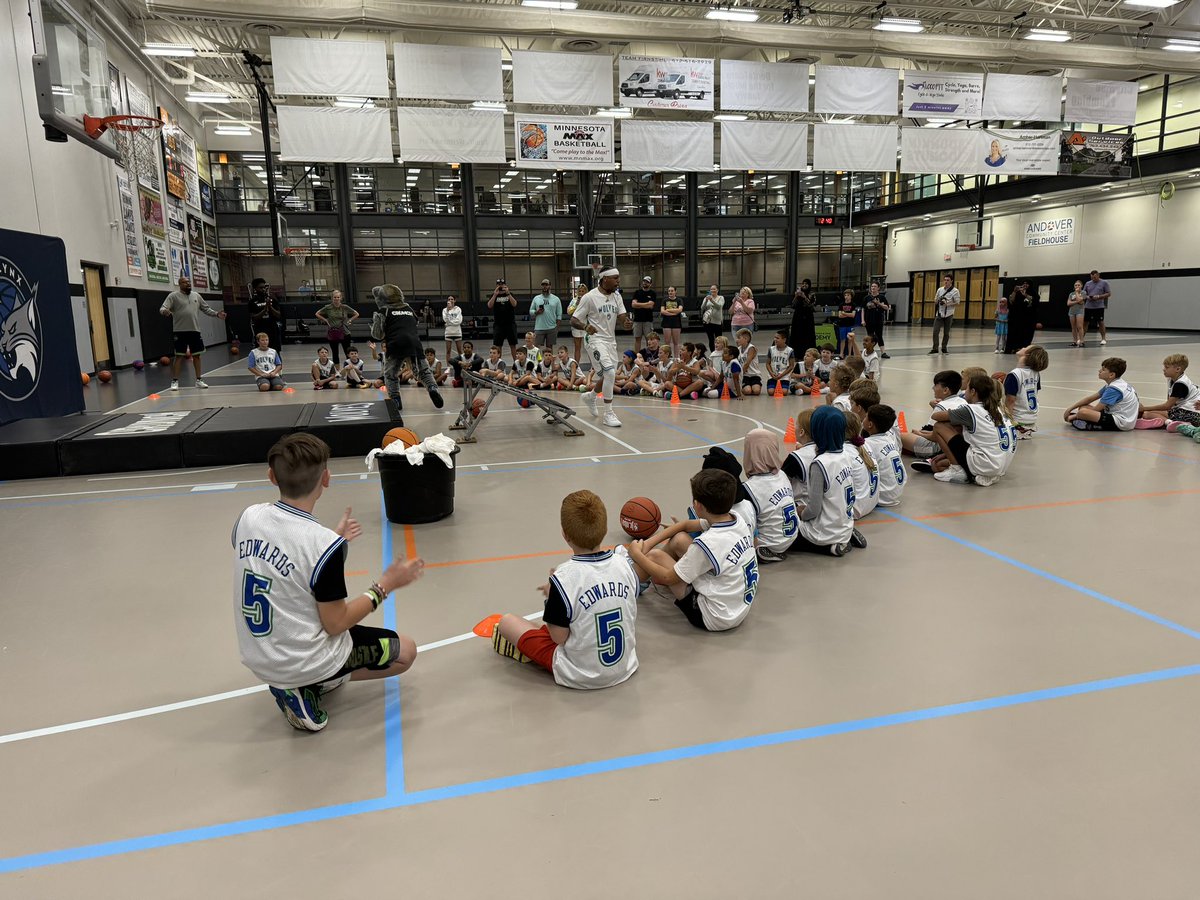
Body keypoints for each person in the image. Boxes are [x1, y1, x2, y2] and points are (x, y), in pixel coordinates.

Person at [232, 433, 421, 732]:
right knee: (405, 652)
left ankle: (302, 679)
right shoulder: (322, 545)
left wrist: (333, 541)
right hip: (300, 660)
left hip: (258, 655)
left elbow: (285, 563)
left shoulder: (248, 517)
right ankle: (309, 682)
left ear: (271, 476)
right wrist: (385, 585)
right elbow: (336, 623)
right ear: (326, 478)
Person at [490, 491, 640, 688]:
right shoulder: (623, 564)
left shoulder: (563, 578)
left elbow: (558, 638)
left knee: (507, 622)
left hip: (580, 674)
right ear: (604, 530)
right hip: (625, 666)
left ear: (565, 534)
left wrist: (552, 597)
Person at [627, 470, 758, 633]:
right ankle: (640, 576)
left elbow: (668, 578)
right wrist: (647, 543)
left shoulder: (707, 544)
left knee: (655, 556)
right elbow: (685, 525)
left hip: (713, 616)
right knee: (680, 539)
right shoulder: (736, 519)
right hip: (736, 606)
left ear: (697, 505)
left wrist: (637, 554)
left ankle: (627, 586)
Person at [787, 406, 859, 557]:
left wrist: (801, 513)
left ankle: (828, 547)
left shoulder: (820, 464)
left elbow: (813, 509)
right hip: (845, 524)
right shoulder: (846, 454)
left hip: (825, 532)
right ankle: (845, 537)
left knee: (786, 532)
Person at [926, 373, 1017, 486]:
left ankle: (957, 470)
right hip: (999, 465)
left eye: (967, 388)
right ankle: (963, 470)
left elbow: (936, 417)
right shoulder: (998, 409)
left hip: (984, 464)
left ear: (973, 391)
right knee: (939, 464)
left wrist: (936, 405)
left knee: (940, 426)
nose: (964, 392)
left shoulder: (972, 409)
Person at [572, 267, 632, 428]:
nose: (618, 281)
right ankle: (608, 413)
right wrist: (585, 327)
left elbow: (621, 317)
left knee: (607, 376)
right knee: (610, 372)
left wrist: (626, 323)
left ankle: (591, 396)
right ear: (605, 279)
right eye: (615, 278)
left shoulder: (617, 296)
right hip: (594, 339)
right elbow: (574, 320)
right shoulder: (589, 297)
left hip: (610, 341)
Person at [377, 284, 444, 421]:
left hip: (395, 343)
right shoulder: (408, 308)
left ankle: (395, 399)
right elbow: (416, 322)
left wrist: (377, 320)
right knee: (423, 370)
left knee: (390, 374)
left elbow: (378, 334)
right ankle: (432, 388)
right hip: (414, 342)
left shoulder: (385, 310)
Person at [739, 429, 799, 563]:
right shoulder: (782, 475)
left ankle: (764, 550)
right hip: (791, 535)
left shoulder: (750, 488)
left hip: (769, 543)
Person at [160, 275, 227, 391]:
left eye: (189, 282)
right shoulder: (173, 296)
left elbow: (206, 309)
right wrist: (165, 311)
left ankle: (199, 380)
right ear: (179, 284)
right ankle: (175, 381)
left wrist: (216, 314)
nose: (188, 284)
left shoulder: (196, 296)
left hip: (195, 330)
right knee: (179, 356)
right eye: (185, 282)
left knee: (197, 355)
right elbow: (162, 308)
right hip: (180, 331)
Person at [905, 370, 966, 468]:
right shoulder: (963, 401)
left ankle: (931, 458)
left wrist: (919, 433)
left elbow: (932, 433)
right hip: (958, 444)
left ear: (945, 390)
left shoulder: (942, 405)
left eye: (935, 385)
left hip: (937, 447)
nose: (933, 388)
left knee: (901, 436)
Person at [1063, 357, 1140, 432]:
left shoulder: (1114, 389)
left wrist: (1073, 417)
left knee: (1083, 412)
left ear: (1111, 375)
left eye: (1103, 370)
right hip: (1119, 416)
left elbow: (1096, 409)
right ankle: (1085, 421)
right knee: (1083, 407)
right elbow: (1090, 399)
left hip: (1122, 423)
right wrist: (1070, 409)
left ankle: (1091, 425)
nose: (1099, 371)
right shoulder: (1115, 383)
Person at [1139, 354, 1200, 427]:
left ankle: (1172, 423)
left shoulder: (1180, 384)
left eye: (1167, 367)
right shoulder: (1172, 379)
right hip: (1184, 410)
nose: (1164, 369)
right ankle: (1168, 421)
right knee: (1149, 413)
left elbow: (1167, 406)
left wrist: (1144, 408)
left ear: (1178, 369)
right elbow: (1169, 405)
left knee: (1146, 414)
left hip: (1193, 414)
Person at [863, 405, 905, 508]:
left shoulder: (867, 444)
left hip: (881, 496)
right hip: (896, 492)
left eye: (865, 417)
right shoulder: (890, 438)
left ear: (870, 424)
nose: (863, 419)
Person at [1004, 344, 1050, 440]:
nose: (1023, 347)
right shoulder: (1036, 374)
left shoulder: (1014, 374)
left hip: (1017, 422)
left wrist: (1007, 422)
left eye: (1026, 347)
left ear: (1027, 355)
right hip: (1030, 420)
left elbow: (1010, 401)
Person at [315, 290, 359, 366]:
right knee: (335, 352)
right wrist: (325, 320)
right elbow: (317, 313)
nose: (336, 299)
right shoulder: (328, 307)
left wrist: (350, 320)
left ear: (340, 298)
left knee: (347, 352)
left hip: (345, 332)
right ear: (332, 298)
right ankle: (337, 371)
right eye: (335, 297)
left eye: (338, 297)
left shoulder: (345, 307)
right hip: (333, 332)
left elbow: (356, 314)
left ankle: (349, 369)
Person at [248, 278, 283, 353]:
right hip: (260, 329)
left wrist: (270, 307)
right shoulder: (252, 302)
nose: (263, 289)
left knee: (275, 352)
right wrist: (264, 310)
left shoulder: (272, 299)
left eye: (264, 287)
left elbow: (278, 315)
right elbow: (254, 317)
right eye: (260, 288)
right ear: (255, 289)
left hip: (272, 329)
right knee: (261, 353)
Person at [488, 278, 519, 361]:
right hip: (498, 324)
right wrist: (495, 295)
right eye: (499, 284)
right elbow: (489, 305)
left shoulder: (510, 294)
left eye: (502, 284)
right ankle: (498, 364)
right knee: (498, 346)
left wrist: (508, 293)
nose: (500, 286)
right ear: (496, 285)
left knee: (513, 345)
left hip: (510, 324)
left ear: (505, 285)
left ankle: (516, 364)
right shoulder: (494, 295)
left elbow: (514, 304)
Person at [530, 280, 562, 355]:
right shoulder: (536, 298)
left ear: (550, 286)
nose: (545, 287)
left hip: (551, 327)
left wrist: (557, 328)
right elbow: (531, 311)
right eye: (543, 285)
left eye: (546, 285)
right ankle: (537, 364)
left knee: (549, 348)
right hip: (539, 327)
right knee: (536, 347)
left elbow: (559, 315)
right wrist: (536, 312)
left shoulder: (556, 299)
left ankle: (549, 364)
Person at [929, 274, 959, 355]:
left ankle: (944, 347)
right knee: (935, 331)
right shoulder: (940, 289)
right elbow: (935, 299)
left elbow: (957, 302)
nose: (946, 281)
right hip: (939, 313)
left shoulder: (955, 291)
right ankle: (935, 348)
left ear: (951, 281)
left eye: (948, 280)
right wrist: (937, 301)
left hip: (949, 314)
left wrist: (947, 304)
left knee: (946, 333)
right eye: (945, 280)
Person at [1005, 280, 1037, 354]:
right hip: (1015, 318)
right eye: (1024, 283)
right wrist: (1015, 291)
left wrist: (1025, 294)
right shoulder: (1017, 293)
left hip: (1027, 319)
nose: (1025, 285)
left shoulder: (1033, 293)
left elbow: (1033, 303)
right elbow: (1011, 301)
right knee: (1013, 332)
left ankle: (1023, 348)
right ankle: (1012, 348)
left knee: (1026, 334)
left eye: (1027, 284)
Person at [788, 279, 816, 360]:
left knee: (808, 336)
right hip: (798, 317)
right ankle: (797, 355)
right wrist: (796, 296)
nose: (804, 285)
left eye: (806, 284)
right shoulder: (798, 293)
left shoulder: (812, 294)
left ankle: (809, 355)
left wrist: (804, 297)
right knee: (797, 335)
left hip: (808, 318)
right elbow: (793, 305)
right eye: (803, 283)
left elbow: (812, 306)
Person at [1082, 270, 1111, 346]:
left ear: (1098, 275)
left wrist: (1099, 296)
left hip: (1099, 306)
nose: (1093, 279)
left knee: (1100, 322)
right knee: (1085, 323)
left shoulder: (1104, 282)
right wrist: (1088, 297)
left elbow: (1109, 293)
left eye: (1094, 277)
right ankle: (1082, 339)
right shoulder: (1088, 283)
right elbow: (1083, 294)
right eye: (1092, 277)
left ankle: (1103, 339)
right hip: (1088, 306)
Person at [862, 282, 891, 358]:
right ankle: (869, 351)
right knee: (870, 336)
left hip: (878, 320)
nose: (873, 288)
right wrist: (863, 320)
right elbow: (863, 309)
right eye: (872, 286)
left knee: (879, 336)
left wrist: (879, 303)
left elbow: (887, 307)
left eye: (875, 286)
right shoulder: (866, 298)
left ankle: (883, 352)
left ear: (878, 288)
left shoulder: (882, 297)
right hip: (869, 320)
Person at [630, 276, 657, 354]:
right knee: (637, 339)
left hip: (648, 320)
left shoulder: (652, 293)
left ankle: (648, 355)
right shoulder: (637, 292)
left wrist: (638, 304)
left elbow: (650, 305)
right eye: (644, 281)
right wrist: (646, 304)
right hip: (637, 320)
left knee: (649, 339)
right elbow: (633, 305)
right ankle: (637, 356)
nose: (645, 283)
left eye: (647, 282)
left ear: (650, 284)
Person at [765, 330, 796, 396]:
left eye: (777, 338)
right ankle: (774, 385)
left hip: (784, 376)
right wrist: (771, 373)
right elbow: (767, 363)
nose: (775, 339)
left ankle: (781, 385)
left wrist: (781, 375)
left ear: (784, 340)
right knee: (771, 392)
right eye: (774, 337)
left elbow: (791, 366)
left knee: (784, 392)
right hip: (773, 376)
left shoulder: (790, 350)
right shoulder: (771, 349)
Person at [700, 284, 725, 353]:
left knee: (719, 339)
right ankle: (713, 353)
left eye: (714, 289)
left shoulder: (721, 298)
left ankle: (719, 352)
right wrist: (706, 300)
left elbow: (719, 307)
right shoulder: (706, 298)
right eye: (711, 289)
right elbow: (702, 308)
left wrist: (712, 300)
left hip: (717, 321)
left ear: (717, 290)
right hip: (708, 322)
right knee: (711, 339)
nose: (712, 290)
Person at [567, 283, 588, 370]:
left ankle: (593, 366)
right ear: (577, 292)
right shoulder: (574, 300)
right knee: (577, 347)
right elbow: (569, 311)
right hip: (576, 326)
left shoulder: (589, 300)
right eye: (579, 291)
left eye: (583, 291)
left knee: (589, 346)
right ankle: (577, 365)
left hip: (586, 325)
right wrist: (577, 304)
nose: (581, 292)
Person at [660, 286, 683, 359]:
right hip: (666, 323)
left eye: (672, 291)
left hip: (676, 323)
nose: (670, 292)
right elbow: (662, 311)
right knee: (667, 342)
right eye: (669, 291)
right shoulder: (665, 300)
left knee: (676, 342)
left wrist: (668, 310)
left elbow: (679, 310)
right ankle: (668, 358)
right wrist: (673, 312)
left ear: (675, 292)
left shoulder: (679, 300)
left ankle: (676, 358)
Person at [836, 289, 858, 359]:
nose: (846, 297)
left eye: (848, 295)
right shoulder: (841, 305)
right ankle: (841, 354)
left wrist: (845, 313)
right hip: (842, 325)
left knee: (850, 340)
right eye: (845, 295)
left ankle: (849, 354)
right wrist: (849, 314)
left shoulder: (853, 305)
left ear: (851, 296)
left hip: (850, 324)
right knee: (842, 339)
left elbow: (853, 315)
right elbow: (840, 315)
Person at [442, 296, 464, 362]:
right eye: (449, 299)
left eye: (452, 299)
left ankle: (462, 365)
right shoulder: (445, 310)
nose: (450, 300)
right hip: (448, 332)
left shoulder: (458, 309)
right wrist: (448, 310)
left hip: (457, 332)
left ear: (455, 301)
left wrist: (449, 323)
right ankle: (448, 367)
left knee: (459, 350)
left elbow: (459, 321)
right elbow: (445, 320)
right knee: (448, 350)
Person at [1066, 280, 1086, 347]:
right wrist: (1076, 301)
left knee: (1079, 326)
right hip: (1072, 311)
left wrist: (1077, 293)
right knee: (1073, 327)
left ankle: (1081, 341)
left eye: (1078, 285)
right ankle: (1074, 341)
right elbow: (1068, 303)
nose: (1077, 286)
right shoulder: (1071, 294)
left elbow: (1080, 302)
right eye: (1075, 285)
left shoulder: (1083, 292)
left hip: (1079, 311)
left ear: (1081, 286)